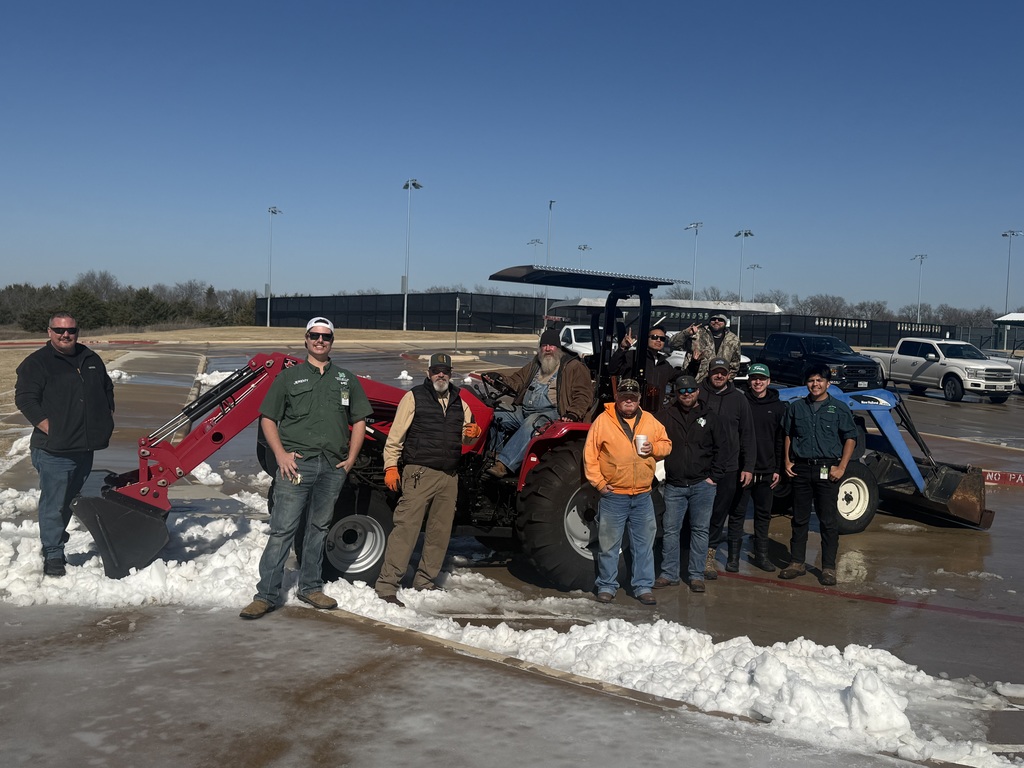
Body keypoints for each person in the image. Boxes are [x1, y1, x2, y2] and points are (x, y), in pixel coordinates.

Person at [240, 317, 372, 620]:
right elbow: (268, 418)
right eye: (315, 336)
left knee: (318, 528)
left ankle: (311, 587)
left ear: (332, 341)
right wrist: (281, 455)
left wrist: (350, 459)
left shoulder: (346, 379)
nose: (320, 341)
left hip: (332, 466)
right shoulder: (289, 378)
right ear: (306, 339)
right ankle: (266, 595)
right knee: (283, 530)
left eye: (326, 337)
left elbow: (360, 419)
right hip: (297, 466)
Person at [375, 353, 482, 605]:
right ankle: (387, 585)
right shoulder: (413, 397)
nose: (441, 375)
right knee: (406, 529)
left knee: (439, 532)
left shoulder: (460, 401)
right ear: (428, 373)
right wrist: (391, 466)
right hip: (418, 474)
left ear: (451, 373)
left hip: (449, 476)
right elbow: (395, 437)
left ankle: (425, 581)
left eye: (445, 370)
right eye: (436, 370)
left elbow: (466, 439)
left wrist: (473, 435)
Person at [15, 312, 115, 577]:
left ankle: (56, 543)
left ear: (77, 331)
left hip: (85, 447)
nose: (65, 335)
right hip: (53, 449)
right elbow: (25, 400)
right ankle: (53, 555)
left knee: (69, 500)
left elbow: (106, 389)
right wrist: (51, 428)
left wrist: (105, 417)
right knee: (54, 503)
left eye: (71, 330)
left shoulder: (90, 359)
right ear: (49, 332)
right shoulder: (37, 363)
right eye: (59, 331)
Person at [584, 378, 671, 605]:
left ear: (639, 399)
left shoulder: (650, 421)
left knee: (644, 544)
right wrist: (600, 485)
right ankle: (606, 585)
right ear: (617, 399)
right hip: (614, 496)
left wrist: (654, 448)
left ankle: (643, 586)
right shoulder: (603, 421)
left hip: (643, 494)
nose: (629, 400)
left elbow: (667, 444)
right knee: (608, 545)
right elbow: (590, 457)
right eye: (624, 397)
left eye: (633, 397)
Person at [780, 363, 858, 586]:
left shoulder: (839, 408)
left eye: (819, 380)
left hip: (827, 469)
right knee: (799, 518)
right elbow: (788, 434)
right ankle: (797, 562)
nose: (815, 384)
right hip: (802, 469)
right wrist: (787, 460)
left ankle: (828, 567)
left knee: (828, 521)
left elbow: (850, 438)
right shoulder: (796, 408)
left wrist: (841, 467)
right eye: (811, 380)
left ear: (828, 383)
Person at [485, 328, 594, 478]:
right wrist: (500, 380)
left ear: (558, 347)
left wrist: (573, 413)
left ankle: (503, 464)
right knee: (496, 413)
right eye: (544, 345)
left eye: (551, 345)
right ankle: (493, 454)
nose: (548, 349)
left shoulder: (573, 367)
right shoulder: (536, 364)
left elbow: (584, 394)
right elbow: (516, 381)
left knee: (532, 422)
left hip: (553, 414)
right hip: (524, 410)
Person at [654, 375, 723, 593]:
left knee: (700, 530)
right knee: (671, 530)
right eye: (682, 391)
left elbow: (723, 449)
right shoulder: (665, 416)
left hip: (702, 484)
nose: (687, 394)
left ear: (698, 392)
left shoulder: (710, 417)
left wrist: (714, 477)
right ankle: (669, 573)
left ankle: (695, 575)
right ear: (676, 394)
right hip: (674, 484)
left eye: (691, 390)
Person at [701, 357, 755, 580]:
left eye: (723, 372)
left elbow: (748, 435)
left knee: (717, 515)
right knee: (695, 516)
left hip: (729, 468)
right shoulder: (698, 395)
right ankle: (689, 555)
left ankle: (708, 558)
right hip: (701, 468)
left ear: (729, 375)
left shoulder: (739, 400)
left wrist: (748, 466)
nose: (719, 376)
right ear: (710, 372)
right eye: (716, 372)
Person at [729, 363, 785, 573]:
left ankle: (761, 556)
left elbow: (780, 440)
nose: (758, 382)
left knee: (763, 516)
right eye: (754, 378)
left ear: (769, 381)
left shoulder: (778, 407)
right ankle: (734, 557)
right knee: (737, 514)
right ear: (749, 381)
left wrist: (777, 469)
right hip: (743, 471)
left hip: (767, 471)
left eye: (761, 378)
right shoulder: (742, 403)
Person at [610, 325, 679, 413]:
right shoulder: (634, 356)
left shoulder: (665, 364)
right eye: (654, 337)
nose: (658, 340)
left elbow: (681, 377)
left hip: (656, 413)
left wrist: (695, 362)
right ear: (646, 339)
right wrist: (623, 348)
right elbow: (613, 369)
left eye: (662, 339)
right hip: (634, 412)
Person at [669, 313, 741, 382]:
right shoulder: (697, 333)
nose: (716, 321)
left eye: (720, 320)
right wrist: (685, 333)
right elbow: (673, 344)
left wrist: (728, 379)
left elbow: (735, 363)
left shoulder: (733, 339)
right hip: (696, 381)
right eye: (713, 319)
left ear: (725, 322)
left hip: (718, 383)